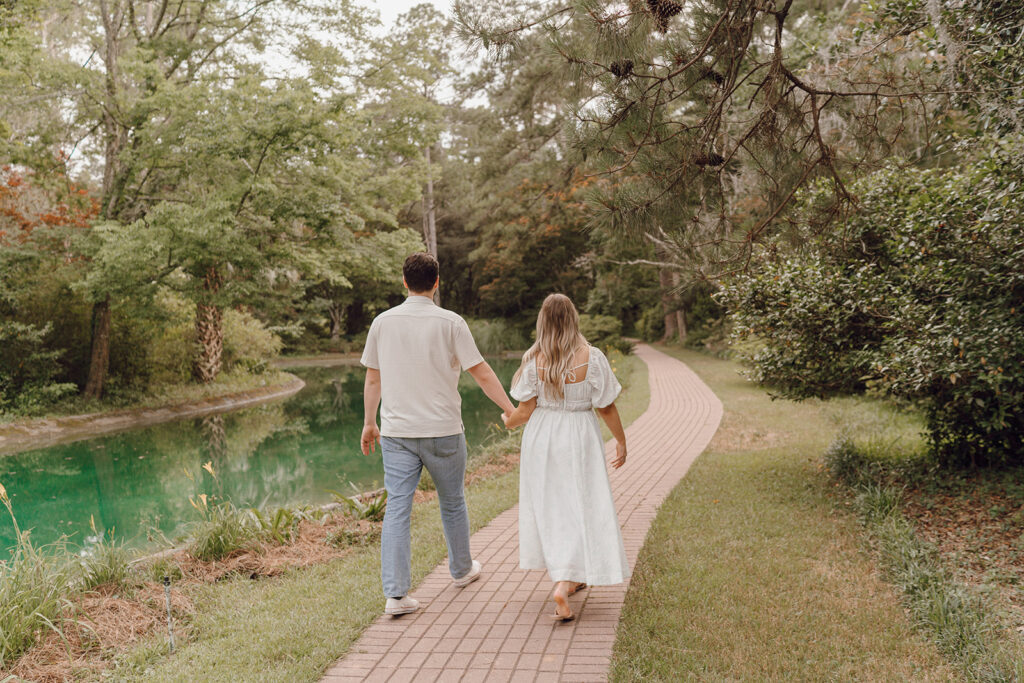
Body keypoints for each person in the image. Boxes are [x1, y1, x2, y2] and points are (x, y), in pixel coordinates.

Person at [360, 252, 515, 617]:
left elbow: (372, 378)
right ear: (437, 282)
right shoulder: (451, 322)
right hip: (444, 431)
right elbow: (481, 373)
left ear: (404, 282)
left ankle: (396, 596)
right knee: (452, 501)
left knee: (397, 507)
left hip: (397, 434)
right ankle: (461, 571)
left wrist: (370, 422)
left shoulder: (382, 323)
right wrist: (510, 409)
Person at [501, 293, 630, 621]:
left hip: (542, 438)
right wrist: (621, 441)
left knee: (552, 507)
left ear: (542, 321)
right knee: (581, 503)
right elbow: (606, 406)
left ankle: (567, 577)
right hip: (579, 436)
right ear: (573, 319)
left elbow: (525, 411)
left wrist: (508, 421)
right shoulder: (593, 357)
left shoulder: (535, 359)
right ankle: (566, 580)